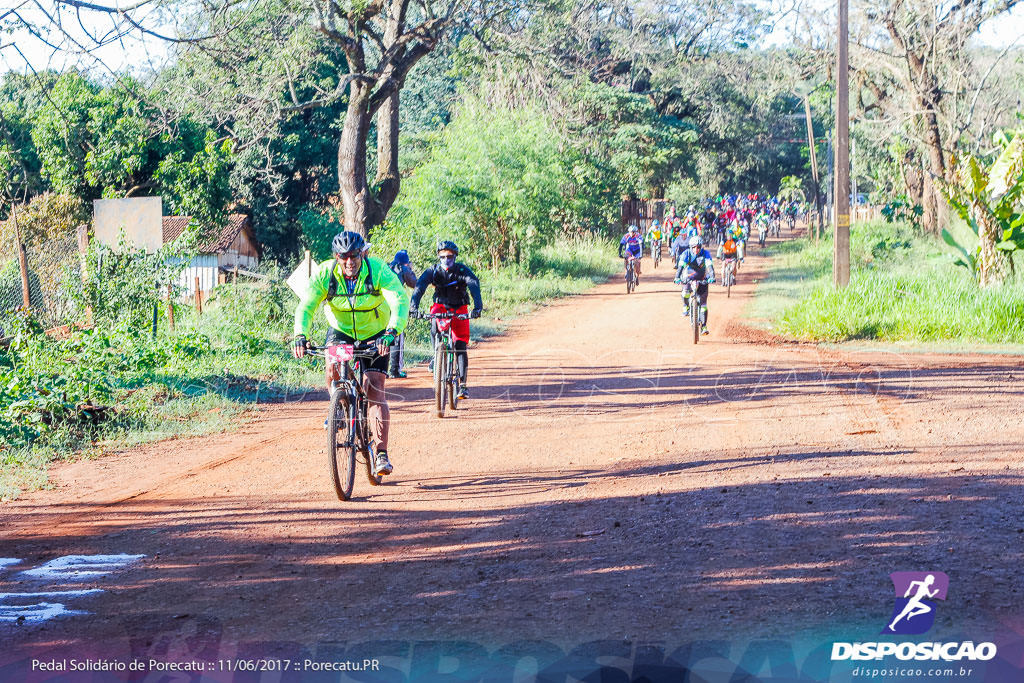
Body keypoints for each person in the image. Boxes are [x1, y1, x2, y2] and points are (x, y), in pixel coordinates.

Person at [293, 231, 409, 477]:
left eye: (354, 256)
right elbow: (307, 305)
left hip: (377, 332)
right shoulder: (326, 273)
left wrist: (391, 332)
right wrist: (300, 335)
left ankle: (381, 454)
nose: (349, 262)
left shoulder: (376, 270)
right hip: (341, 330)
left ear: (362, 254)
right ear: (336, 256)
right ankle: (339, 407)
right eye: (343, 256)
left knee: (374, 388)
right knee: (332, 368)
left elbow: (399, 299)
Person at [410, 240, 484, 399]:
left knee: (460, 345)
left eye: (449, 256)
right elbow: (420, 286)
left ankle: (463, 385)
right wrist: (413, 307)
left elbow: (473, 284)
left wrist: (477, 307)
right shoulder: (433, 271)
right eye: (442, 256)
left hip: (460, 309)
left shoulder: (462, 270)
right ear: (438, 257)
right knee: (434, 326)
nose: (446, 260)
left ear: (455, 256)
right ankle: (436, 355)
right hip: (440, 307)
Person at [674, 235, 715, 334]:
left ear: (701, 247)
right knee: (685, 293)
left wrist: (712, 277)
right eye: (693, 247)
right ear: (690, 247)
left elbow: (709, 266)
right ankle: (686, 305)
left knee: (703, 304)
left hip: (702, 278)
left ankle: (704, 326)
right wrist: (677, 277)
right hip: (689, 276)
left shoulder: (705, 254)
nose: (696, 249)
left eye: (698, 247)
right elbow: (680, 267)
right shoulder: (686, 254)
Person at [387, 250, 418, 379]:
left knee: (382, 335)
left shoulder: (387, 267)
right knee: (396, 335)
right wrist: (410, 269)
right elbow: (415, 283)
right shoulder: (403, 269)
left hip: (380, 305)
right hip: (395, 305)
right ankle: (395, 370)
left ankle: (381, 370)